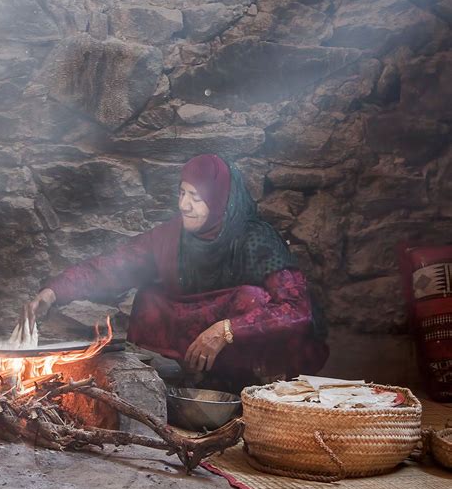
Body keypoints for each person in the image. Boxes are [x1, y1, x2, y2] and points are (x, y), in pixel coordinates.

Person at [21, 154, 328, 392]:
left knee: (253, 299)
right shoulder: (169, 237)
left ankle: (246, 392)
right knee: (152, 298)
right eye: (182, 193)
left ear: (219, 199)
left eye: (196, 197)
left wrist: (226, 330)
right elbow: (111, 267)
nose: (185, 205)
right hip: (192, 344)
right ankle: (172, 384)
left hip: (243, 350)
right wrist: (53, 293)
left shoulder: (255, 238)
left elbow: (296, 309)